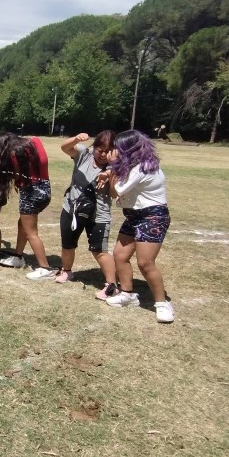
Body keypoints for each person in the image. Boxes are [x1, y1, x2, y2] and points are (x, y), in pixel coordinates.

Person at [102, 130, 174, 323]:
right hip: (134, 215)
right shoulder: (133, 167)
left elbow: (117, 190)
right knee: (120, 255)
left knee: (145, 263)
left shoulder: (143, 168)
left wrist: (112, 167)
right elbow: (115, 192)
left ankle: (162, 304)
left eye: (118, 147)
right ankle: (128, 295)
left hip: (153, 216)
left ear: (127, 149)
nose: (114, 150)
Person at [56, 131, 119, 300]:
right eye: (101, 150)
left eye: (108, 151)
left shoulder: (116, 166)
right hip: (72, 208)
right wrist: (76, 139)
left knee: (99, 250)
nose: (104, 154)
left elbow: (114, 194)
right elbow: (64, 147)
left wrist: (111, 174)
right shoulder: (84, 154)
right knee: (68, 244)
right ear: (95, 147)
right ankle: (67, 271)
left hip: (98, 214)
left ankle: (111, 285)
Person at [0, 133, 54, 279]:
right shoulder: (35, 140)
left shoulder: (14, 154)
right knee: (22, 224)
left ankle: (45, 268)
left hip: (30, 193)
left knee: (31, 233)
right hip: (44, 189)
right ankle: (18, 256)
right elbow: (43, 161)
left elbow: (16, 176)